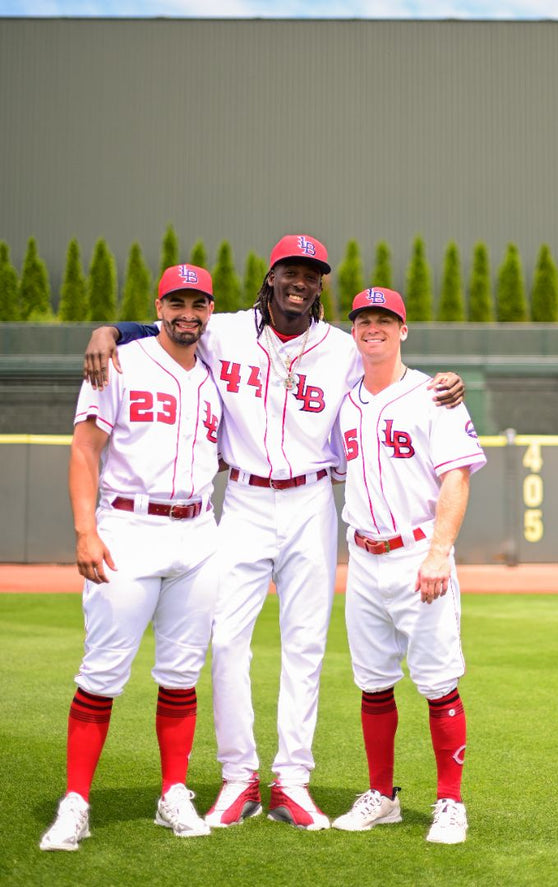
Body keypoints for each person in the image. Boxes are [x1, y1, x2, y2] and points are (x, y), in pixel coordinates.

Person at [82, 235, 465, 831]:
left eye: (312, 274)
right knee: (228, 638)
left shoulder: (342, 347)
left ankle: (293, 780)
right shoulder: (224, 330)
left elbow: (397, 368)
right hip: (243, 498)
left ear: (320, 285)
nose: (301, 281)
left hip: (312, 498)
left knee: (305, 644)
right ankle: (240, 779)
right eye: (291, 269)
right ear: (271, 276)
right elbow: (167, 326)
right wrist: (110, 329)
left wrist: (447, 378)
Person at [40, 264, 222, 851]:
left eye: (198, 303)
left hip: (197, 530)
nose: (187, 313)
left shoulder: (216, 373)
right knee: (102, 674)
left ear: (211, 310)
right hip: (128, 524)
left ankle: (174, 792)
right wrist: (85, 531)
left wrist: (106, 327)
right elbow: (85, 449)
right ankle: (76, 804)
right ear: (158, 306)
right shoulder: (118, 361)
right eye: (177, 302)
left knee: (180, 674)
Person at [331, 287, 486, 844]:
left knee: (439, 683)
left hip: (419, 553)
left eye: (384, 319)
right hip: (365, 557)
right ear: (354, 331)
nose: (373, 327)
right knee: (373, 684)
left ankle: (450, 802)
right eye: (364, 319)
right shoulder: (345, 402)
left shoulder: (434, 395)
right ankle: (383, 795)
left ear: (403, 329)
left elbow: (457, 477)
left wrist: (440, 552)